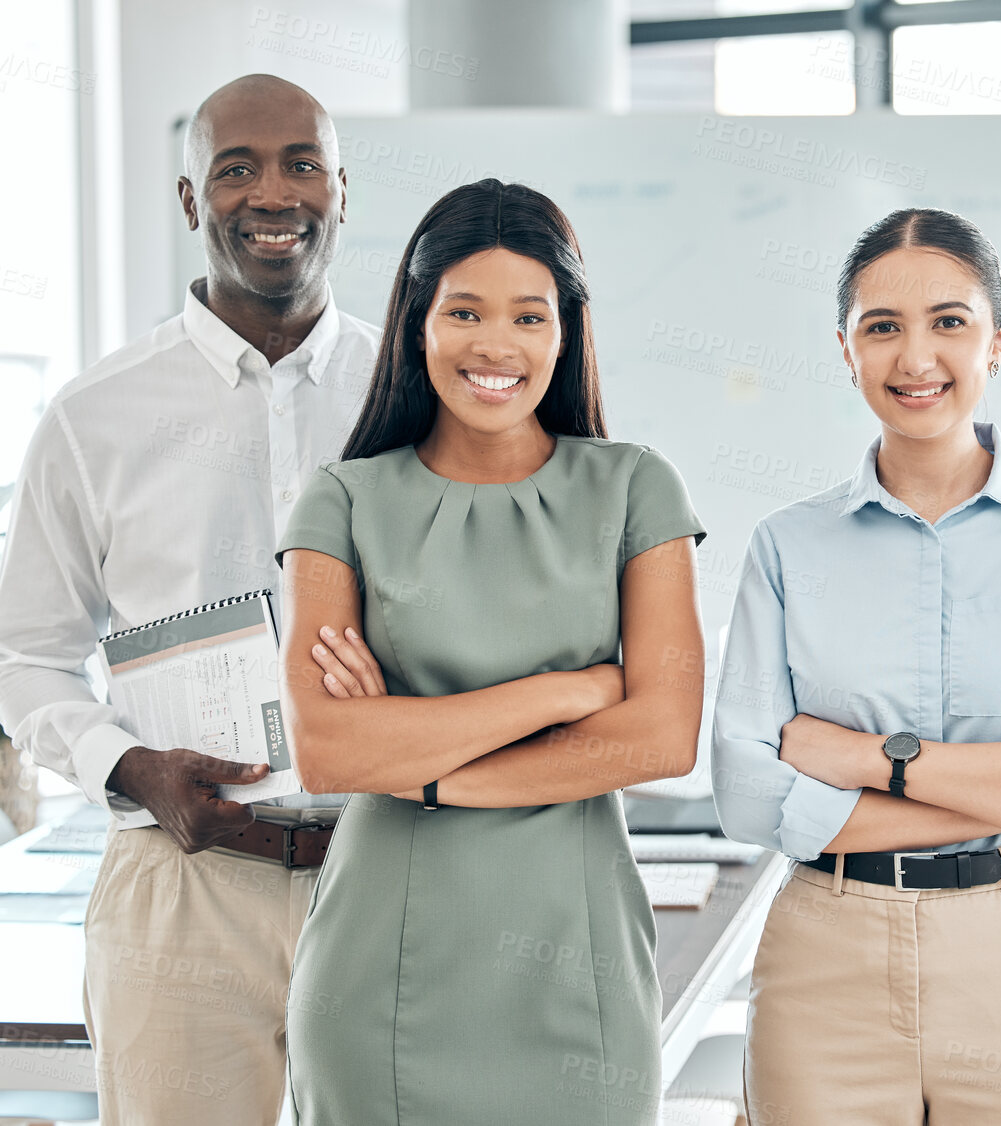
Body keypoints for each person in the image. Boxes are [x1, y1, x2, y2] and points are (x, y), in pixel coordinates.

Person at [0, 75, 377, 1124]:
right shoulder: (96, 416)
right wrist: (129, 766)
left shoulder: (413, 393)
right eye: (234, 169)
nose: (272, 193)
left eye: (301, 163)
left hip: (396, 873)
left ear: (343, 189)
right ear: (192, 201)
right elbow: (22, 654)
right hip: (186, 882)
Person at [276, 177, 707, 1124]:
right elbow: (332, 751)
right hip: (382, 966)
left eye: (529, 314)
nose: (496, 345)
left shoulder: (635, 489)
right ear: (416, 323)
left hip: (576, 960)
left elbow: (664, 736)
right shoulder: (340, 502)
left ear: (566, 331)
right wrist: (576, 688)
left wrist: (425, 767)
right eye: (463, 311)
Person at [711, 207, 1001, 1124]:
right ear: (846, 349)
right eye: (883, 328)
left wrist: (877, 759)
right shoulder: (787, 547)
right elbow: (751, 796)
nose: (916, 358)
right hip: (826, 956)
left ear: (998, 341)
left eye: (950, 322)